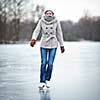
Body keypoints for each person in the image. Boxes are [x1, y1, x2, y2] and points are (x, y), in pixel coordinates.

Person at [30, 9, 65, 89]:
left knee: (50, 64)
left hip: (53, 44)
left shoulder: (56, 21)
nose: (49, 14)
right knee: (43, 63)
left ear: (53, 14)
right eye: (47, 13)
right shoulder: (41, 21)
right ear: (45, 14)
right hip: (44, 44)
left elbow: (59, 33)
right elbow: (36, 30)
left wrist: (62, 45)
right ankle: (42, 81)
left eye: (51, 13)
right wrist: (33, 39)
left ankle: (47, 79)